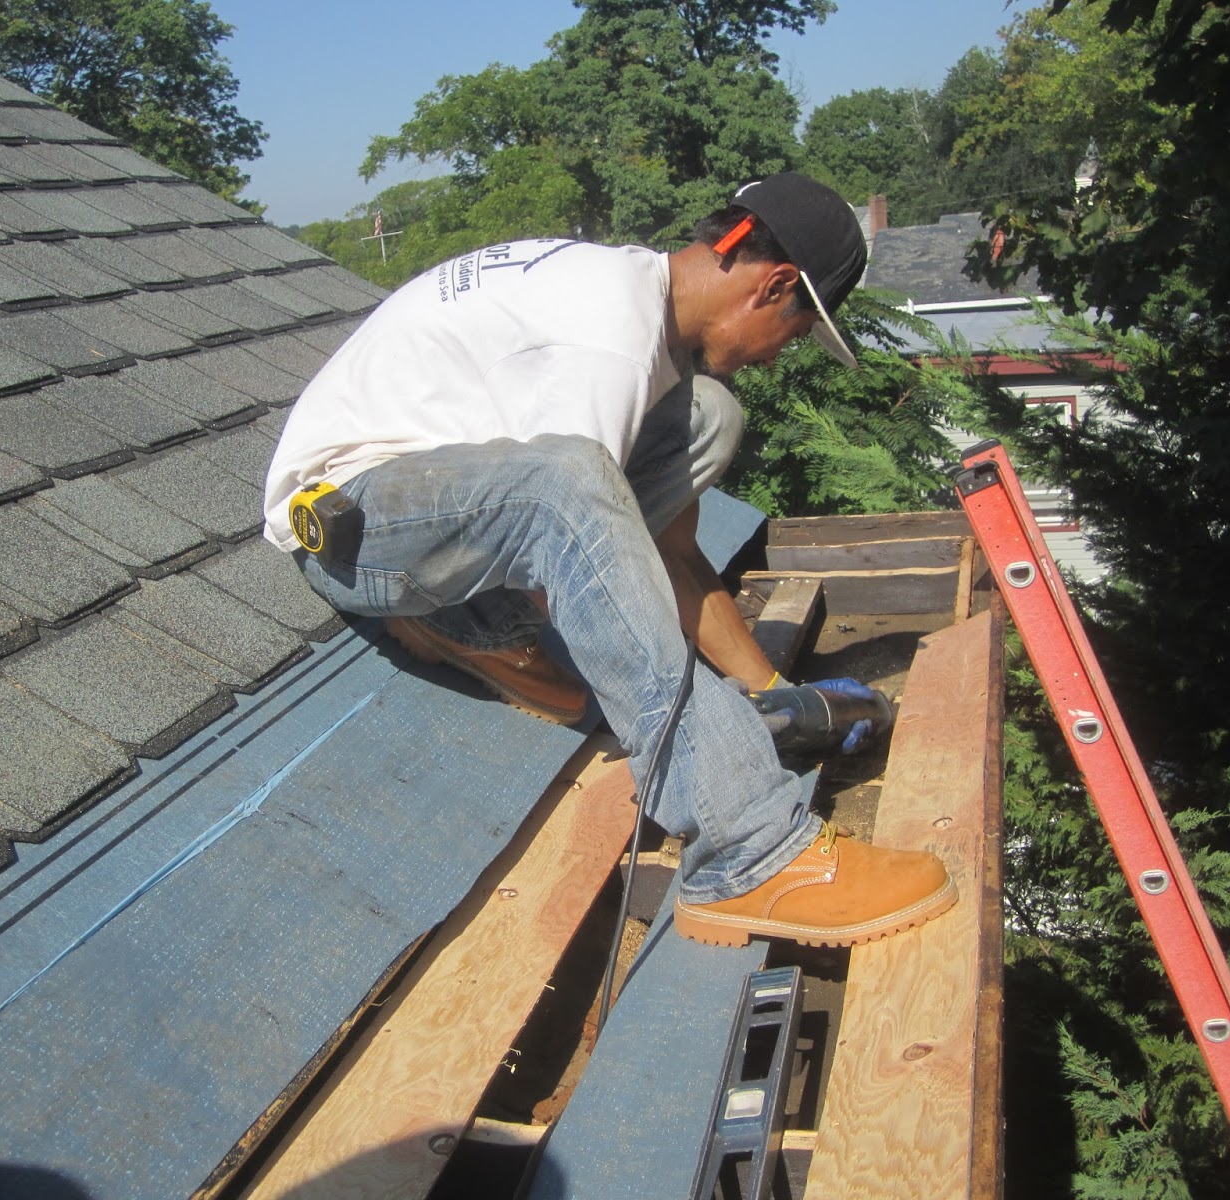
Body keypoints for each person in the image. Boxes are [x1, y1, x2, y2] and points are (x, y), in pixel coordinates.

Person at [263, 173, 955, 948]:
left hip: (443, 507)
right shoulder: (608, 343)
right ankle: (750, 852)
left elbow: (670, 555)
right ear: (776, 285)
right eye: (793, 335)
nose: (774, 358)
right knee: (566, 491)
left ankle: (471, 623)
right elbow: (579, 559)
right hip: (356, 526)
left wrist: (774, 693)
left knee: (709, 416)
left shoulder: (641, 315)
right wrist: (719, 736)